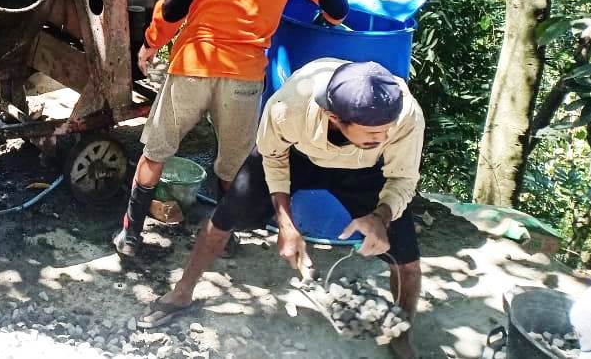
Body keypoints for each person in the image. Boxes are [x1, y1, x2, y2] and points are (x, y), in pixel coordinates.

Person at [115, 0, 349, 258]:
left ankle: (130, 235)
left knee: (157, 150)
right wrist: (328, 16)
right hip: (243, 74)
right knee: (232, 164)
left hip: (194, 63)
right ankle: (223, 240)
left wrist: (152, 42)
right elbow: (337, 6)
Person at [138, 59, 425, 359]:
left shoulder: (406, 114)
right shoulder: (290, 106)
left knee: (408, 262)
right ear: (334, 117)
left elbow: (403, 177)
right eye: (371, 134)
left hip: (365, 171)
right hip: (295, 156)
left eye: (386, 132)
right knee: (223, 218)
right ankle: (182, 292)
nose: (382, 139)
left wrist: (382, 216)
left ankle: (402, 330)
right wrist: (286, 224)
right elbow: (273, 158)